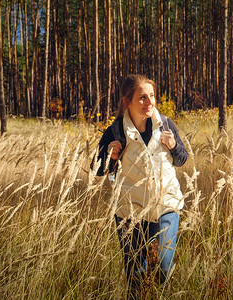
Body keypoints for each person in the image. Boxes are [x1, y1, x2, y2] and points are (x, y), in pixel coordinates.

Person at [95, 74, 188, 298]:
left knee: (163, 268)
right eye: (142, 98)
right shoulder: (116, 131)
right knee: (135, 275)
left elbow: (182, 158)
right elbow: (98, 168)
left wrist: (173, 145)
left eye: (152, 96)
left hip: (165, 204)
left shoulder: (165, 124)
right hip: (130, 210)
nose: (149, 102)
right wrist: (111, 155)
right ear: (128, 100)